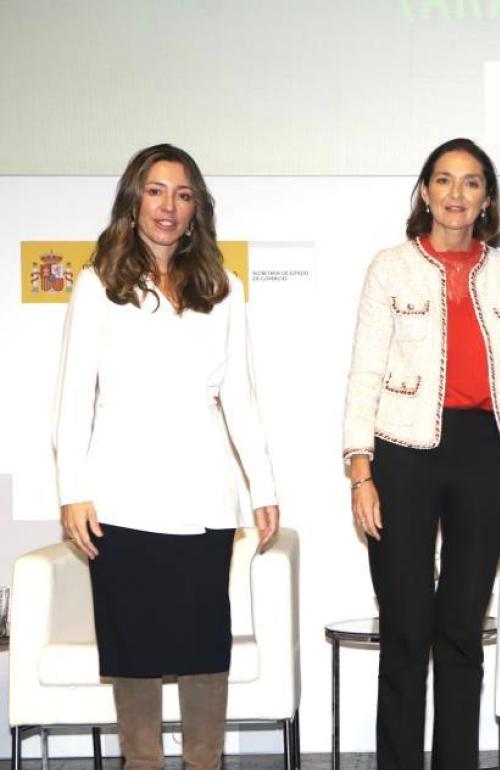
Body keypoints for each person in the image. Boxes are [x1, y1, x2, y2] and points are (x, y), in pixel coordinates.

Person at [53, 143, 280, 770]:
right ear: (134, 198)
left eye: (183, 195)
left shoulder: (222, 286)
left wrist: (262, 486)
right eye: (156, 191)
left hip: (205, 498)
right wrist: (73, 489)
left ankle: (205, 762)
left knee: (206, 653)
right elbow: (74, 398)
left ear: (197, 209)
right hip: (120, 500)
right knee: (136, 654)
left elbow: (242, 395)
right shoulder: (97, 285)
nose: (168, 206)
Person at [342, 137, 500, 770]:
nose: (457, 194)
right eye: (445, 180)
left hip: (486, 454)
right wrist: (359, 469)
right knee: (404, 631)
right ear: (425, 191)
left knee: (461, 633)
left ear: (487, 197)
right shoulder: (389, 267)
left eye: (472, 182)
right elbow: (363, 373)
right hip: (402, 453)